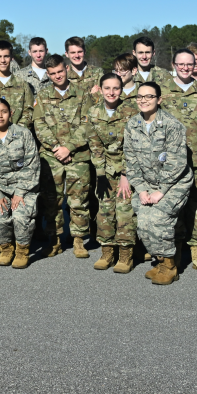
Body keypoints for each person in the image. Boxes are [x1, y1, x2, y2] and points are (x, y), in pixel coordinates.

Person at [124, 82, 192, 285]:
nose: (143, 100)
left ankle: (170, 266)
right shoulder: (132, 124)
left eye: (149, 96)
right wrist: (142, 189)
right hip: (147, 184)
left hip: (175, 183)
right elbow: (131, 161)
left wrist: (161, 191)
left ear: (159, 100)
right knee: (143, 219)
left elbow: (177, 163)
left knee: (159, 217)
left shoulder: (172, 125)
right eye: (140, 97)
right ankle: (161, 261)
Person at [158, 49, 197, 273]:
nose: (185, 68)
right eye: (181, 64)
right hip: (172, 164)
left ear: (195, 65)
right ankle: (174, 252)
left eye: (189, 64)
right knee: (174, 208)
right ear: (173, 64)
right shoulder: (162, 91)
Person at [35, 54, 93, 257]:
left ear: (67, 69)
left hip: (78, 155)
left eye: (60, 71)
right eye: (52, 73)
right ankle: (55, 239)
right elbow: (39, 124)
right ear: (48, 74)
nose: (57, 76)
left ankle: (78, 240)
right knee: (52, 200)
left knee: (79, 200)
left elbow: (88, 122)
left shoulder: (83, 94)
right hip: (52, 156)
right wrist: (56, 148)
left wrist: (68, 147)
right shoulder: (42, 96)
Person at [0, 98, 39, 269]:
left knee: (21, 216)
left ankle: (22, 251)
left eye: (4, 111)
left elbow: (32, 165)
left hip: (24, 187)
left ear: (11, 114)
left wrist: (20, 192)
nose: (0, 116)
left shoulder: (24, 134)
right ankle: (6, 249)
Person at [87, 73, 139, 272]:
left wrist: (126, 174)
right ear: (100, 90)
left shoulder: (132, 111)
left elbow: (133, 145)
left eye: (116, 88)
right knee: (105, 211)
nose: (111, 92)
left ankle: (125, 255)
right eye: (107, 88)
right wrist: (100, 173)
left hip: (128, 169)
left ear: (122, 89)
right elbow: (95, 145)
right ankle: (107, 252)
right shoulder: (93, 113)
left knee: (125, 212)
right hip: (105, 170)